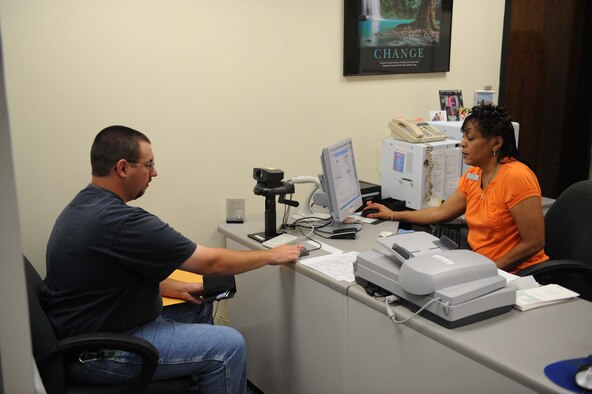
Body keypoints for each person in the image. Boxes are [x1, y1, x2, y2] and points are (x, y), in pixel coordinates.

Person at [41, 125, 302, 393]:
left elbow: (104, 278)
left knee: (199, 305)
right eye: (149, 164)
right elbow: (210, 264)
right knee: (229, 345)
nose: (154, 173)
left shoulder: (85, 205)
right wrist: (271, 256)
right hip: (100, 353)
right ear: (122, 168)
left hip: (94, 329)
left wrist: (173, 288)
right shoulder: (119, 222)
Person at [364, 104, 549, 274]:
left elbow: (534, 242)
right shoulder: (475, 174)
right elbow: (440, 212)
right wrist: (393, 215)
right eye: (463, 137)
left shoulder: (516, 176)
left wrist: (488, 271)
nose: (462, 143)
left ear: (496, 143)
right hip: (481, 265)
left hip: (517, 273)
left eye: (470, 138)